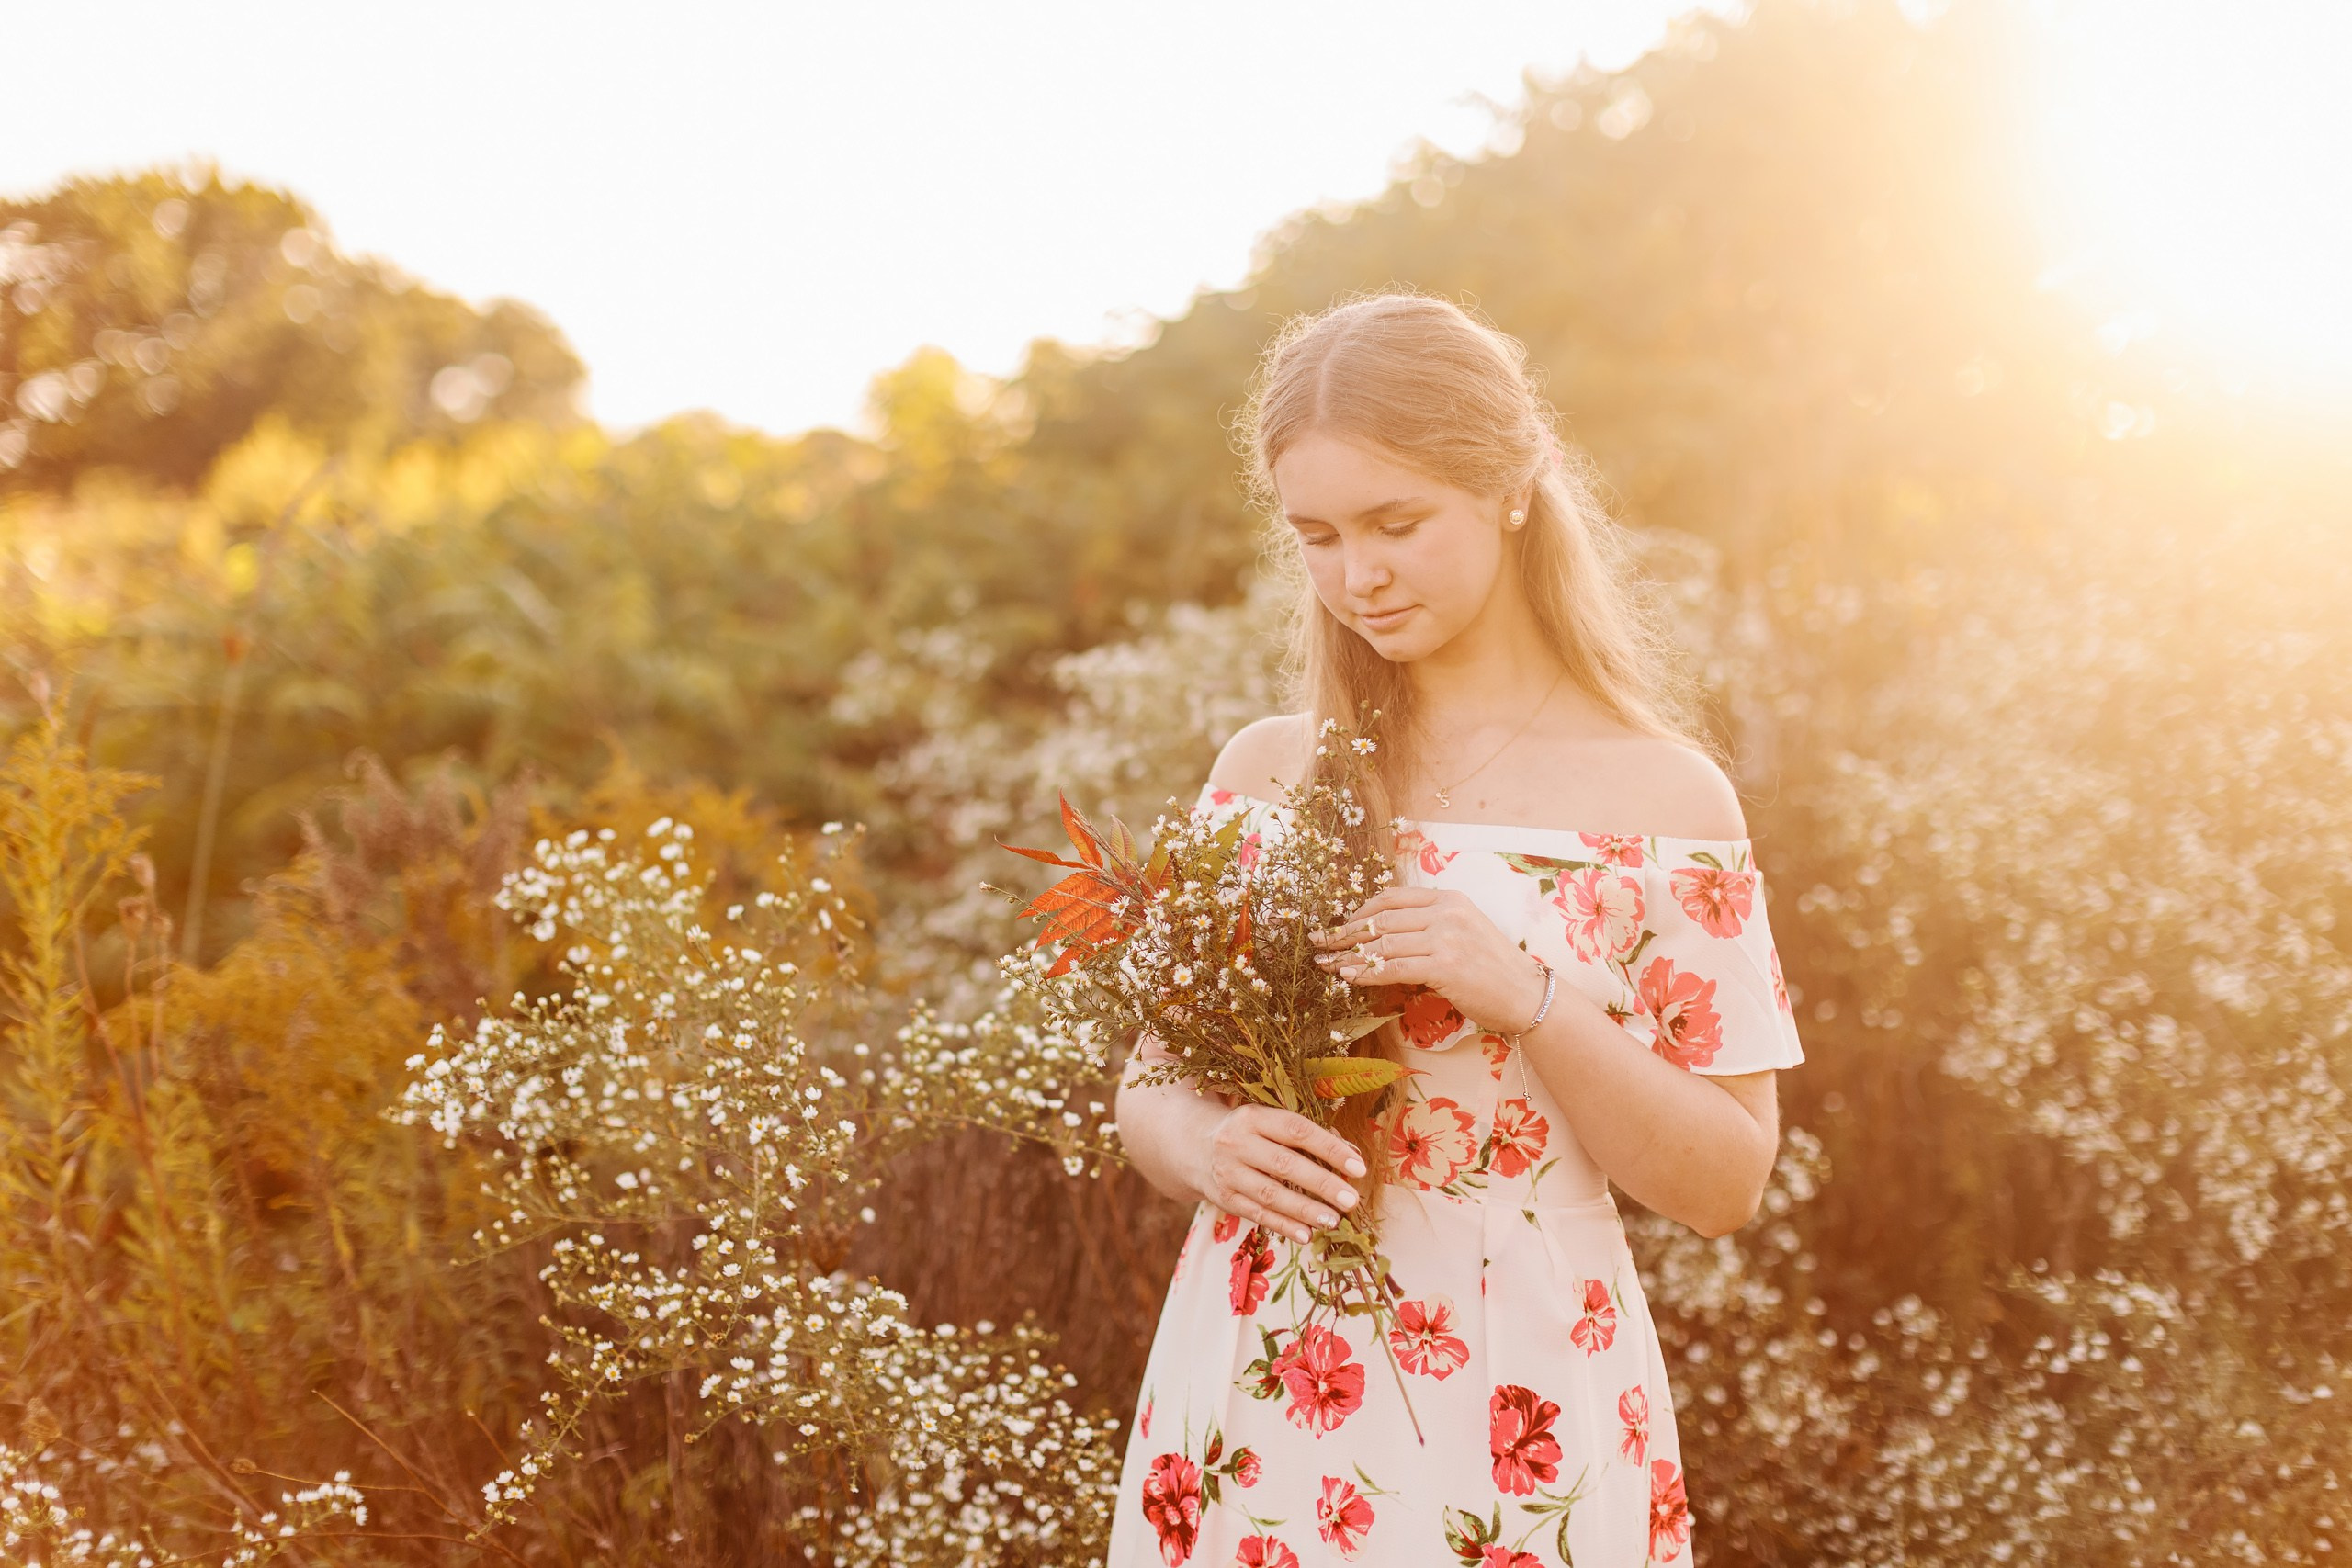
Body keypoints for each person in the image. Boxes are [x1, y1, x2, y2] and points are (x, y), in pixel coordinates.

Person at [1104, 293, 1804, 1568]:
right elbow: (1149, 1086)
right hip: (1258, 1390)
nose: (1356, 575)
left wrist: (1525, 993)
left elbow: (1725, 1182)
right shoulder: (1265, 775)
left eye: (1396, 522)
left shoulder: (1665, 801)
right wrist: (1207, 1143)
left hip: (1521, 1397)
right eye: (1317, 535)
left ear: (1514, 489)